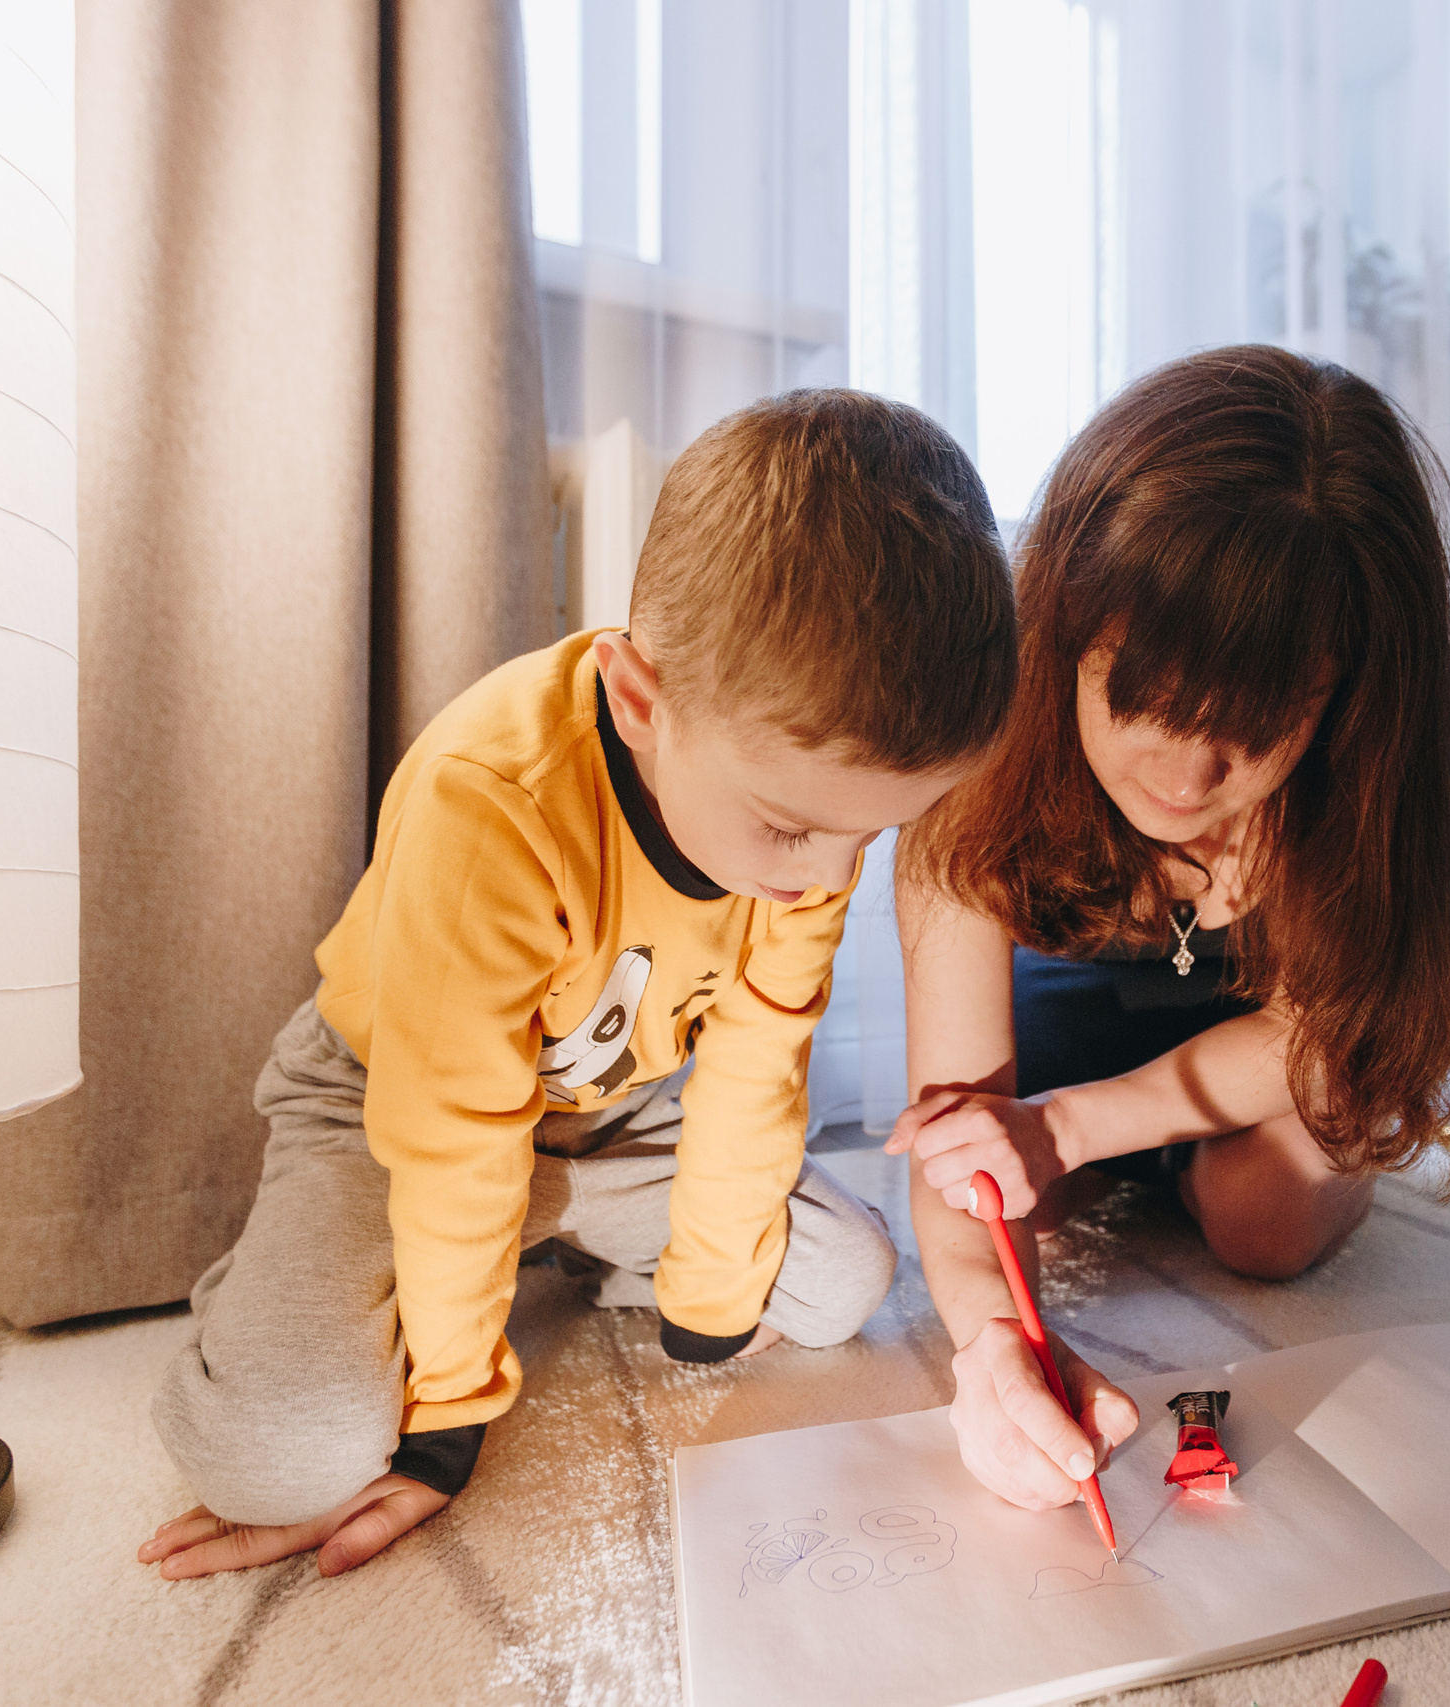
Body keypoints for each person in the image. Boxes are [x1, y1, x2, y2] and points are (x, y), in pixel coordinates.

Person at [140, 390, 1016, 1579]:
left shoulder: (809, 831)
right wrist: (445, 1416)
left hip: (611, 1114)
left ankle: (526, 1241)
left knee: (838, 1284)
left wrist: (708, 1313)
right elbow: (453, 1137)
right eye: (790, 831)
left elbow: (758, 1069)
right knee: (289, 1456)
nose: (826, 878)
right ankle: (332, 1291)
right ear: (637, 702)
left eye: (870, 837)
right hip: (389, 1106)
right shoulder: (490, 795)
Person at [887, 345, 1450, 1513]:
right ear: (1065, 621)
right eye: (1142, 694)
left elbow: (1334, 1033)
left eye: (1260, 721)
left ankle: (1179, 1159)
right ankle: (1134, 1158)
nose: (1186, 775)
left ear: (1346, 696)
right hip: (1062, 1032)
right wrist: (991, 1348)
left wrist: (1071, 1127)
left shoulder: (1359, 794)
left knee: (1265, 1222)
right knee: (1011, 1193)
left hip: (1277, 1047)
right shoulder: (973, 777)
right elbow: (959, 1138)